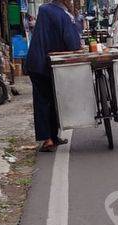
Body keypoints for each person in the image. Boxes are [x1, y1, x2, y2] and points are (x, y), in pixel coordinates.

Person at [26, 0, 81, 152]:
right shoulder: (64, 15)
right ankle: (48, 139)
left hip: (37, 62)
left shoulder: (45, 10)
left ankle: (52, 137)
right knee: (46, 101)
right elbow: (73, 43)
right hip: (43, 64)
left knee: (48, 100)